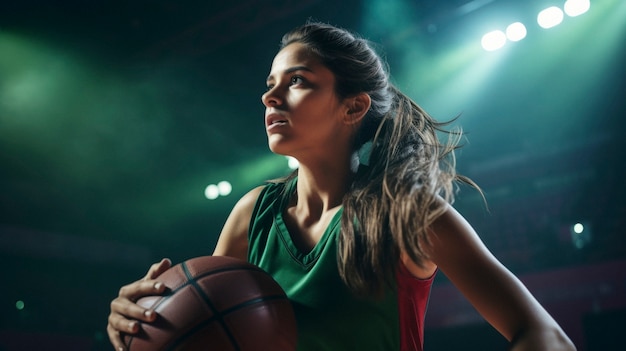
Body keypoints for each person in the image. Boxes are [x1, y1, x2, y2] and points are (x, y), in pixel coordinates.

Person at [106, 22, 576, 351]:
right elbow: (205, 326)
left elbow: (547, 338)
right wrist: (143, 324)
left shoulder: (407, 214)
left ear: (352, 107)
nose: (270, 96)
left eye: (297, 81)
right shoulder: (254, 213)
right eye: (270, 84)